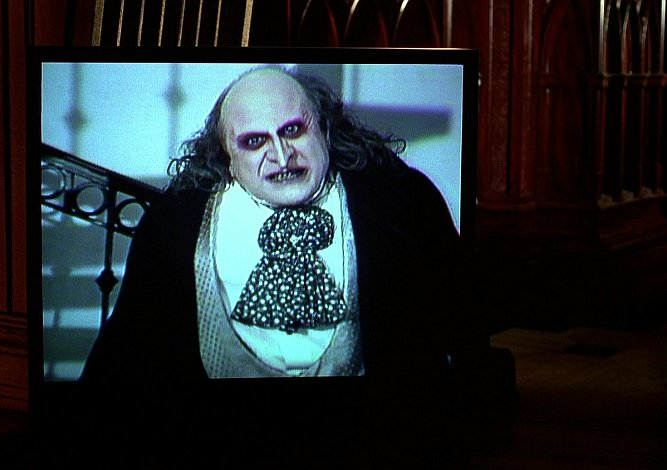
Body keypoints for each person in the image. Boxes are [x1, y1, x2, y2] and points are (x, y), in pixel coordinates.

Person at [78, 66, 485, 466]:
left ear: (324, 129)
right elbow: (124, 359)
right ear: (227, 157)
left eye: (293, 130)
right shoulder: (175, 223)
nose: (281, 154)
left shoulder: (401, 199)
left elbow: (464, 324)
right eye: (254, 141)